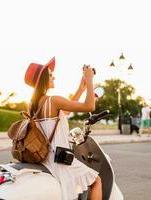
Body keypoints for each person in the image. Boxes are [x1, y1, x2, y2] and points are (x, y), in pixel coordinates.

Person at [24, 57, 102, 200]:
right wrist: (90, 79)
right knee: (96, 181)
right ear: (42, 79)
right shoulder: (53, 100)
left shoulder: (33, 105)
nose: (54, 76)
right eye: (50, 74)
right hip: (59, 160)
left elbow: (65, 112)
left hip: (42, 158)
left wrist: (81, 88)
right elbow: (89, 106)